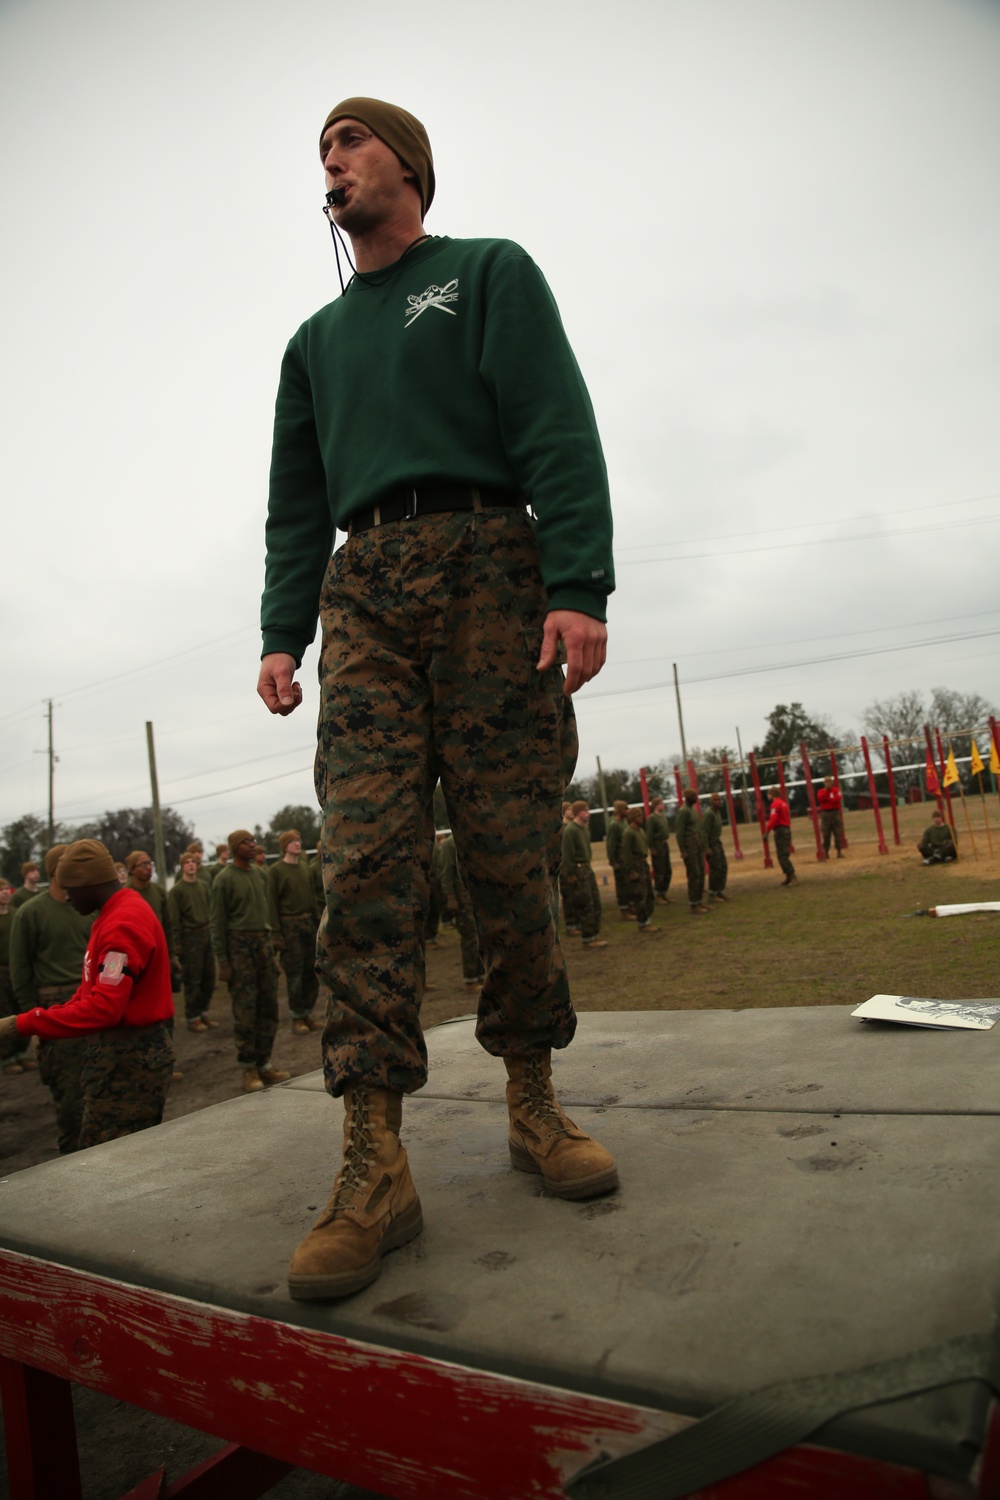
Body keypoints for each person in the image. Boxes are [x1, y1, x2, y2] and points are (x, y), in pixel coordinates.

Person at [257, 96, 618, 1301]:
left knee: (511, 851)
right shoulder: (312, 343)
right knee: (363, 862)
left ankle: (532, 1103)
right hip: (363, 586)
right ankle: (375, 1164)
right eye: (322, 151)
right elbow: (294, 500)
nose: (332, 161)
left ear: (405, 165)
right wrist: (279, 635)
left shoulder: (485, 275)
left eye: (350, 142)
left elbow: (555, 426)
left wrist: (576, 583)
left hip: (490, 568)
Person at [0, 840, 174, 1148]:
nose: (66, 897)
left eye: (70, 888)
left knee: (113, 1160)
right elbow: (89, 991)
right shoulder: (110, 914)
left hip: (128, 1062)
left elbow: (104, 1008)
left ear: (88, 883)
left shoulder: (122, 925)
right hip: (120, 1054)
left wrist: (23, 1024)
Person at [8, 844, 90, 1152]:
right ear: (56, 871)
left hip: (89, 1002)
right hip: (53, 1006)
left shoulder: (86, 909)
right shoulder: (31, 913)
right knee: (69, 1096)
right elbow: (20, 972)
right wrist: (35, 1019)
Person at [211, 830, 289, 1092]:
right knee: (246, 1009)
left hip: (262, 945)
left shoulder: (259, 874)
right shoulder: (224, 880)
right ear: (235, 848)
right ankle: (248, 1067)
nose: (253, 845)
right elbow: (218, 923)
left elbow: (266, 911)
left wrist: (271, 947)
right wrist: (223, 961)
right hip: (239, 947)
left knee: (269, 1006)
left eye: (253, 841)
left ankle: (264, 1063)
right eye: (247, 842)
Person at [267, 829, 323, 1035]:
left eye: (298, 840)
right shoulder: (276, 871)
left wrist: (318, 923)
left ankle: (307, 1012)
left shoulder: (305, 868)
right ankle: (297, 1017)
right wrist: (276, 934)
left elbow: (312, 897)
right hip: (289, 927)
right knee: (295, 973)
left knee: (311, 971)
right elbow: (271, 903)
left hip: (308, 923)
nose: (297, 844)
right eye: (292, 841)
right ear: (284, 846)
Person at [167, 850, 218, 1032]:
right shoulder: (177, 891)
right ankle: (192, 1016)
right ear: (182, 867)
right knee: (192, 979)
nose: (190, 865)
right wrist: (178, 945)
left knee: (209, 977)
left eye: (192, 862)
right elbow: (174, 920)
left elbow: (211, 910)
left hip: (206, 934)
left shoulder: (204, 886)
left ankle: (203, 1012)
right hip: (190, 937)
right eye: (186, 862)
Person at [560, 802, 608, 950]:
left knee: (595, 902)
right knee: (585, 904)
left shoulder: (584, 829)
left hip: (587, 869)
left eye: (588, 810)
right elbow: (567, 855)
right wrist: (570, 874)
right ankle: (588, 938)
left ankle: (594, 934)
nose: (588, 813)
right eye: (584, 811)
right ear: (577, 813)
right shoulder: (570, 831)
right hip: (578, 870)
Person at [439, 831, 484, 988]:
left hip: (475, 896)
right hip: (462, 898)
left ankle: (481, 974)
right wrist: (450, 898)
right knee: (470, 937)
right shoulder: (450, 844)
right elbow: (446, 873)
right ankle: (470, 978)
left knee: (481, 936)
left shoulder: (471, 839)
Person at [1, 879, 36, 1074]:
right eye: (0, 890)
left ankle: (22, 1053)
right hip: (0, 973)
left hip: (16, 969)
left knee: (20, 1008)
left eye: (6, 889)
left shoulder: (16, 915)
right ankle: (6, 1058)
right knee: (4, 1012)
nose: (5, 893)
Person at [619, 807, 658, 932]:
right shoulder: (628, 833)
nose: (642, 817)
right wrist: (631, 871)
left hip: (643, 863)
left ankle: (647, 919)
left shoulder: (640, 830)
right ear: (632, 818)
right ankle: (643, 923)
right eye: (638, 816)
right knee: (640, 895)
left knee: (649, 894)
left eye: (642, 815)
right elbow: (626, 853)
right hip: (636, 866)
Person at [675, 790, 709, 914]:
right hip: (689, 845)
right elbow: (679, 833)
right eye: (694, 796)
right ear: (688, 797)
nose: (696, 797)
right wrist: (683, 850)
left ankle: (699, 901)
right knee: (694, 874)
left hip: (697, 843)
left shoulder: (693, 811)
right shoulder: (683, 811)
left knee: (700, 872)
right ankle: (693, 904)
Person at [604, 801, 632, 919]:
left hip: (626, 859)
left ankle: (630, 907)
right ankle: (624, 910)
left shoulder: (624, 823)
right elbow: (611, 844)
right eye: (625, 809)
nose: (628, 811)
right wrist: (613, 861)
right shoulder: (614, 825)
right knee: (622, 886)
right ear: (620, 811)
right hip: (619, 860)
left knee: (628, 884)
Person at [765, 789, 797, 886]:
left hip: (780, 831)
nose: (767, 796)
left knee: (782, 856)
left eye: (768, 794)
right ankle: (788, 877)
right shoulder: (784, 803)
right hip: (786, 829)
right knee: (784, 854)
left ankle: (792, 875)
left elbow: (773, 818)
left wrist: (767, 830)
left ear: (771, 795)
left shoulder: (775, 805)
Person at [703, 791, 729, 902]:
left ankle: (719, 891)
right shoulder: (709, 814)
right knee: (716, 867)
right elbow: (704, 831)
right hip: (711, 842)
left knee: (723, 866)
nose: (718, 802)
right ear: (711, 802)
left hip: (717, 841)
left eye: (719, 800)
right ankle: (712, 893)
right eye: (715, 800)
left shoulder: (717, 812)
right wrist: (706, 847)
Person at [646, 796, 672, 903]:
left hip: (664, 844)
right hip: (657, 845)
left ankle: (663, 893)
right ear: (656, 805)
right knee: (660, 870)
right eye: (661, 803)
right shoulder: (652, 818)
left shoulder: (663, 817)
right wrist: (652, 847)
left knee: (667, 869)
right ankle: (658, 894)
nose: (663, 805)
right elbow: (650, 834)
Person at [818, 776, 844, 858]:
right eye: (826, 782)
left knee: (838, 832)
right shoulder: (821, 791)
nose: (828, 783)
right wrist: (828, 795)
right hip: (825, 814)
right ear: (824, 783)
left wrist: (829, 799)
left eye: (829, 782)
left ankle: (839, 851)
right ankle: (826, 851)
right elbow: (821, 798)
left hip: (835, 812)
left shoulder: (836, 790)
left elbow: (837, 799)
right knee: (826, 833)